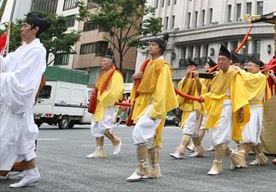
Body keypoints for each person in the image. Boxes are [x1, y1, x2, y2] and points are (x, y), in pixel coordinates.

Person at [0, 13, 50, 188]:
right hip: (13, 100)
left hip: (19, 99)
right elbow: (5, 65)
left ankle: (27, 172)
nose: (22, 28)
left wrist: (3, 78)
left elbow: (23, 78)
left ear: (35, 29)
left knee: (8, 136)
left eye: (26, 25)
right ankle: (31, 172)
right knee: (23, 138)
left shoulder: (37, 50)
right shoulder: (21, 49)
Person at [126, 35, 178, 181]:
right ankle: (154, 169)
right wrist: (135, 78)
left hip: (154, 105)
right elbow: (143, 86)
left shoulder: (163, 66)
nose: (150, 47)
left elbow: (162, 90)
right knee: (150, 139)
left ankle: (141, 168)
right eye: (149, 44)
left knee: (139, 133)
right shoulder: (148, 63)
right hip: (145, 104)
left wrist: (156, 110)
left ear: (160, 48)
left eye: (153, 45)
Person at [202, 45, 250, 175]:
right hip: (215, 108)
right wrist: (205, 97)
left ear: (229, 61)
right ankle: (236, 156)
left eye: (223, 59)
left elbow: (240, 93)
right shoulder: (217, 75)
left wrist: (240, 111)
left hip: (227, 107)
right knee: (215, 137)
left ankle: (217, 164)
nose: (220, 62)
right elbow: (213, 92)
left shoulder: (235, 74)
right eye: (219, 59)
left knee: (219, 138)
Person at [86, 50, 124, 159]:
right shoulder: (103, 74)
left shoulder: (116, 75)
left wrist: (102, 97)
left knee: (103, 126)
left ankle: (116, 140)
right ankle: (99, 150)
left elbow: (116, 90)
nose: (101, 63)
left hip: (107, 104)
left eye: (104, 61)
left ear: (110, 63)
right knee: (96, 126)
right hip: (99, 104)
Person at [239, 55, 271, 167]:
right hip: (246, 107)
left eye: (250, 65)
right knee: (252, 136)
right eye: (247, 65)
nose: (248, 67)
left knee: (249, 134)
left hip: (255, 108)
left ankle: (241, 158)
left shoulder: (260, 77)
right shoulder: (248, 75)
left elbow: (247, 78)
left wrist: (236, 69)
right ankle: (261, 157)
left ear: (258, 67)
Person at [170, 58, 205, 159]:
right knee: (194, 133)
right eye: (188, 67)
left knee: (188, 130)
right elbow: (181, 88)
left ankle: (180, 151)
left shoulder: (201, 78)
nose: (190, 69)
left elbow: (201, 90)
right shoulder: (185, 79)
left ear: (197, 68)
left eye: (192, 67)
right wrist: (186, 77)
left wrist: (197, 78)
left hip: (196, 108)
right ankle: (199, 149)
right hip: (187, 107)